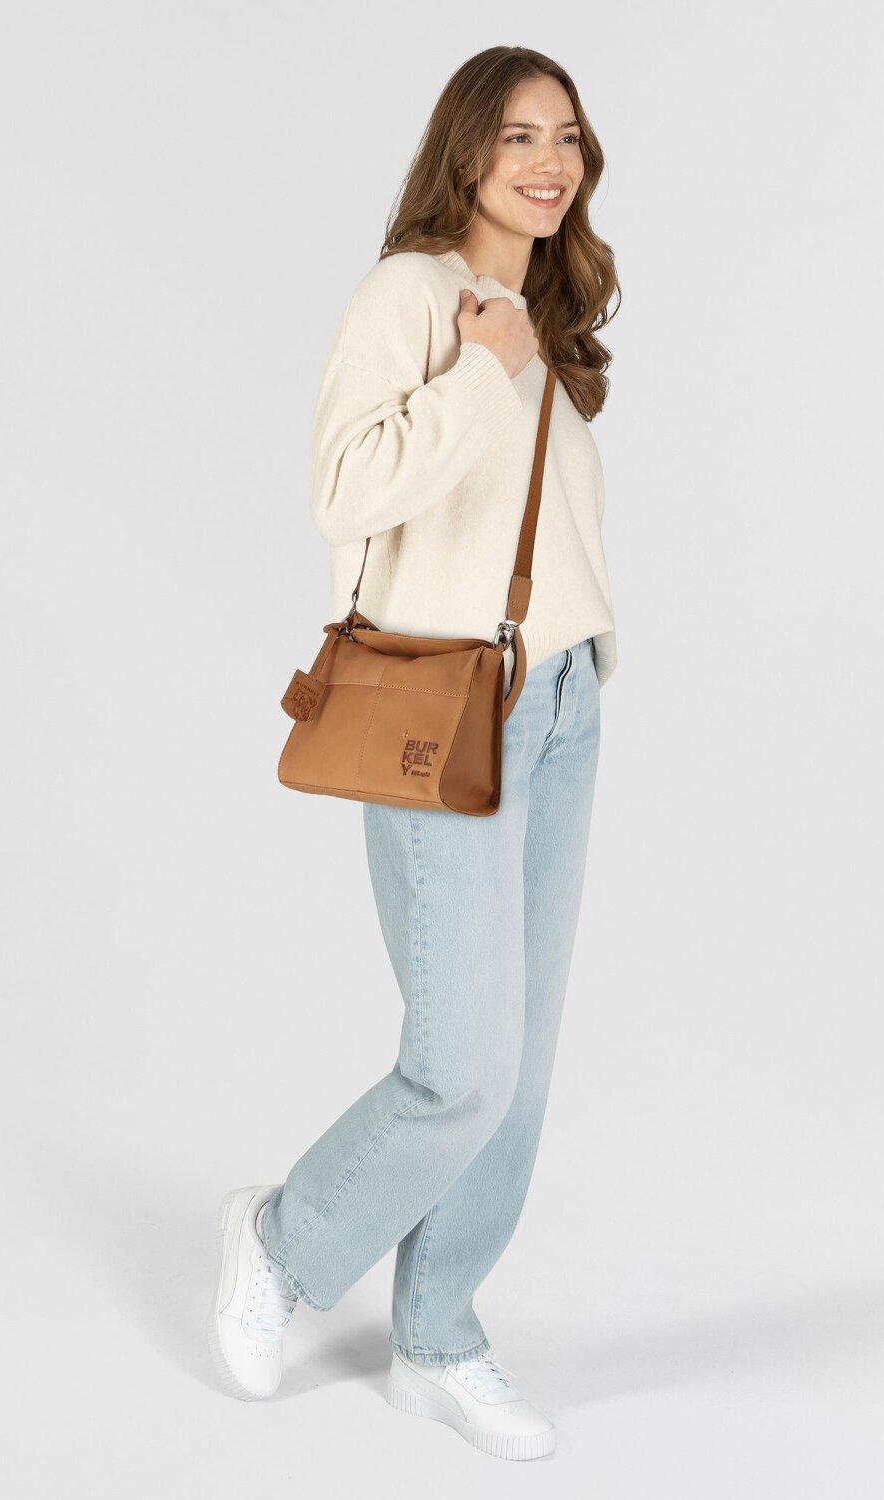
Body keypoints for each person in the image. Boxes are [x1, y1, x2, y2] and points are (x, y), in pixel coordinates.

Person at [209, 46, 621, 1462]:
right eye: (519, 137)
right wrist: (480, 375)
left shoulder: (542, 311)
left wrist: (586, 659)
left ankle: (440, 1334)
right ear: (466, 152)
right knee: (462, 1066)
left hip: (558, 705)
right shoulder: (411, 296)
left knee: (523, 1070)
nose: (550, 163)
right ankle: (281, 1239)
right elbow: (345, 490)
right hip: (448, 713)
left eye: (567, 137)